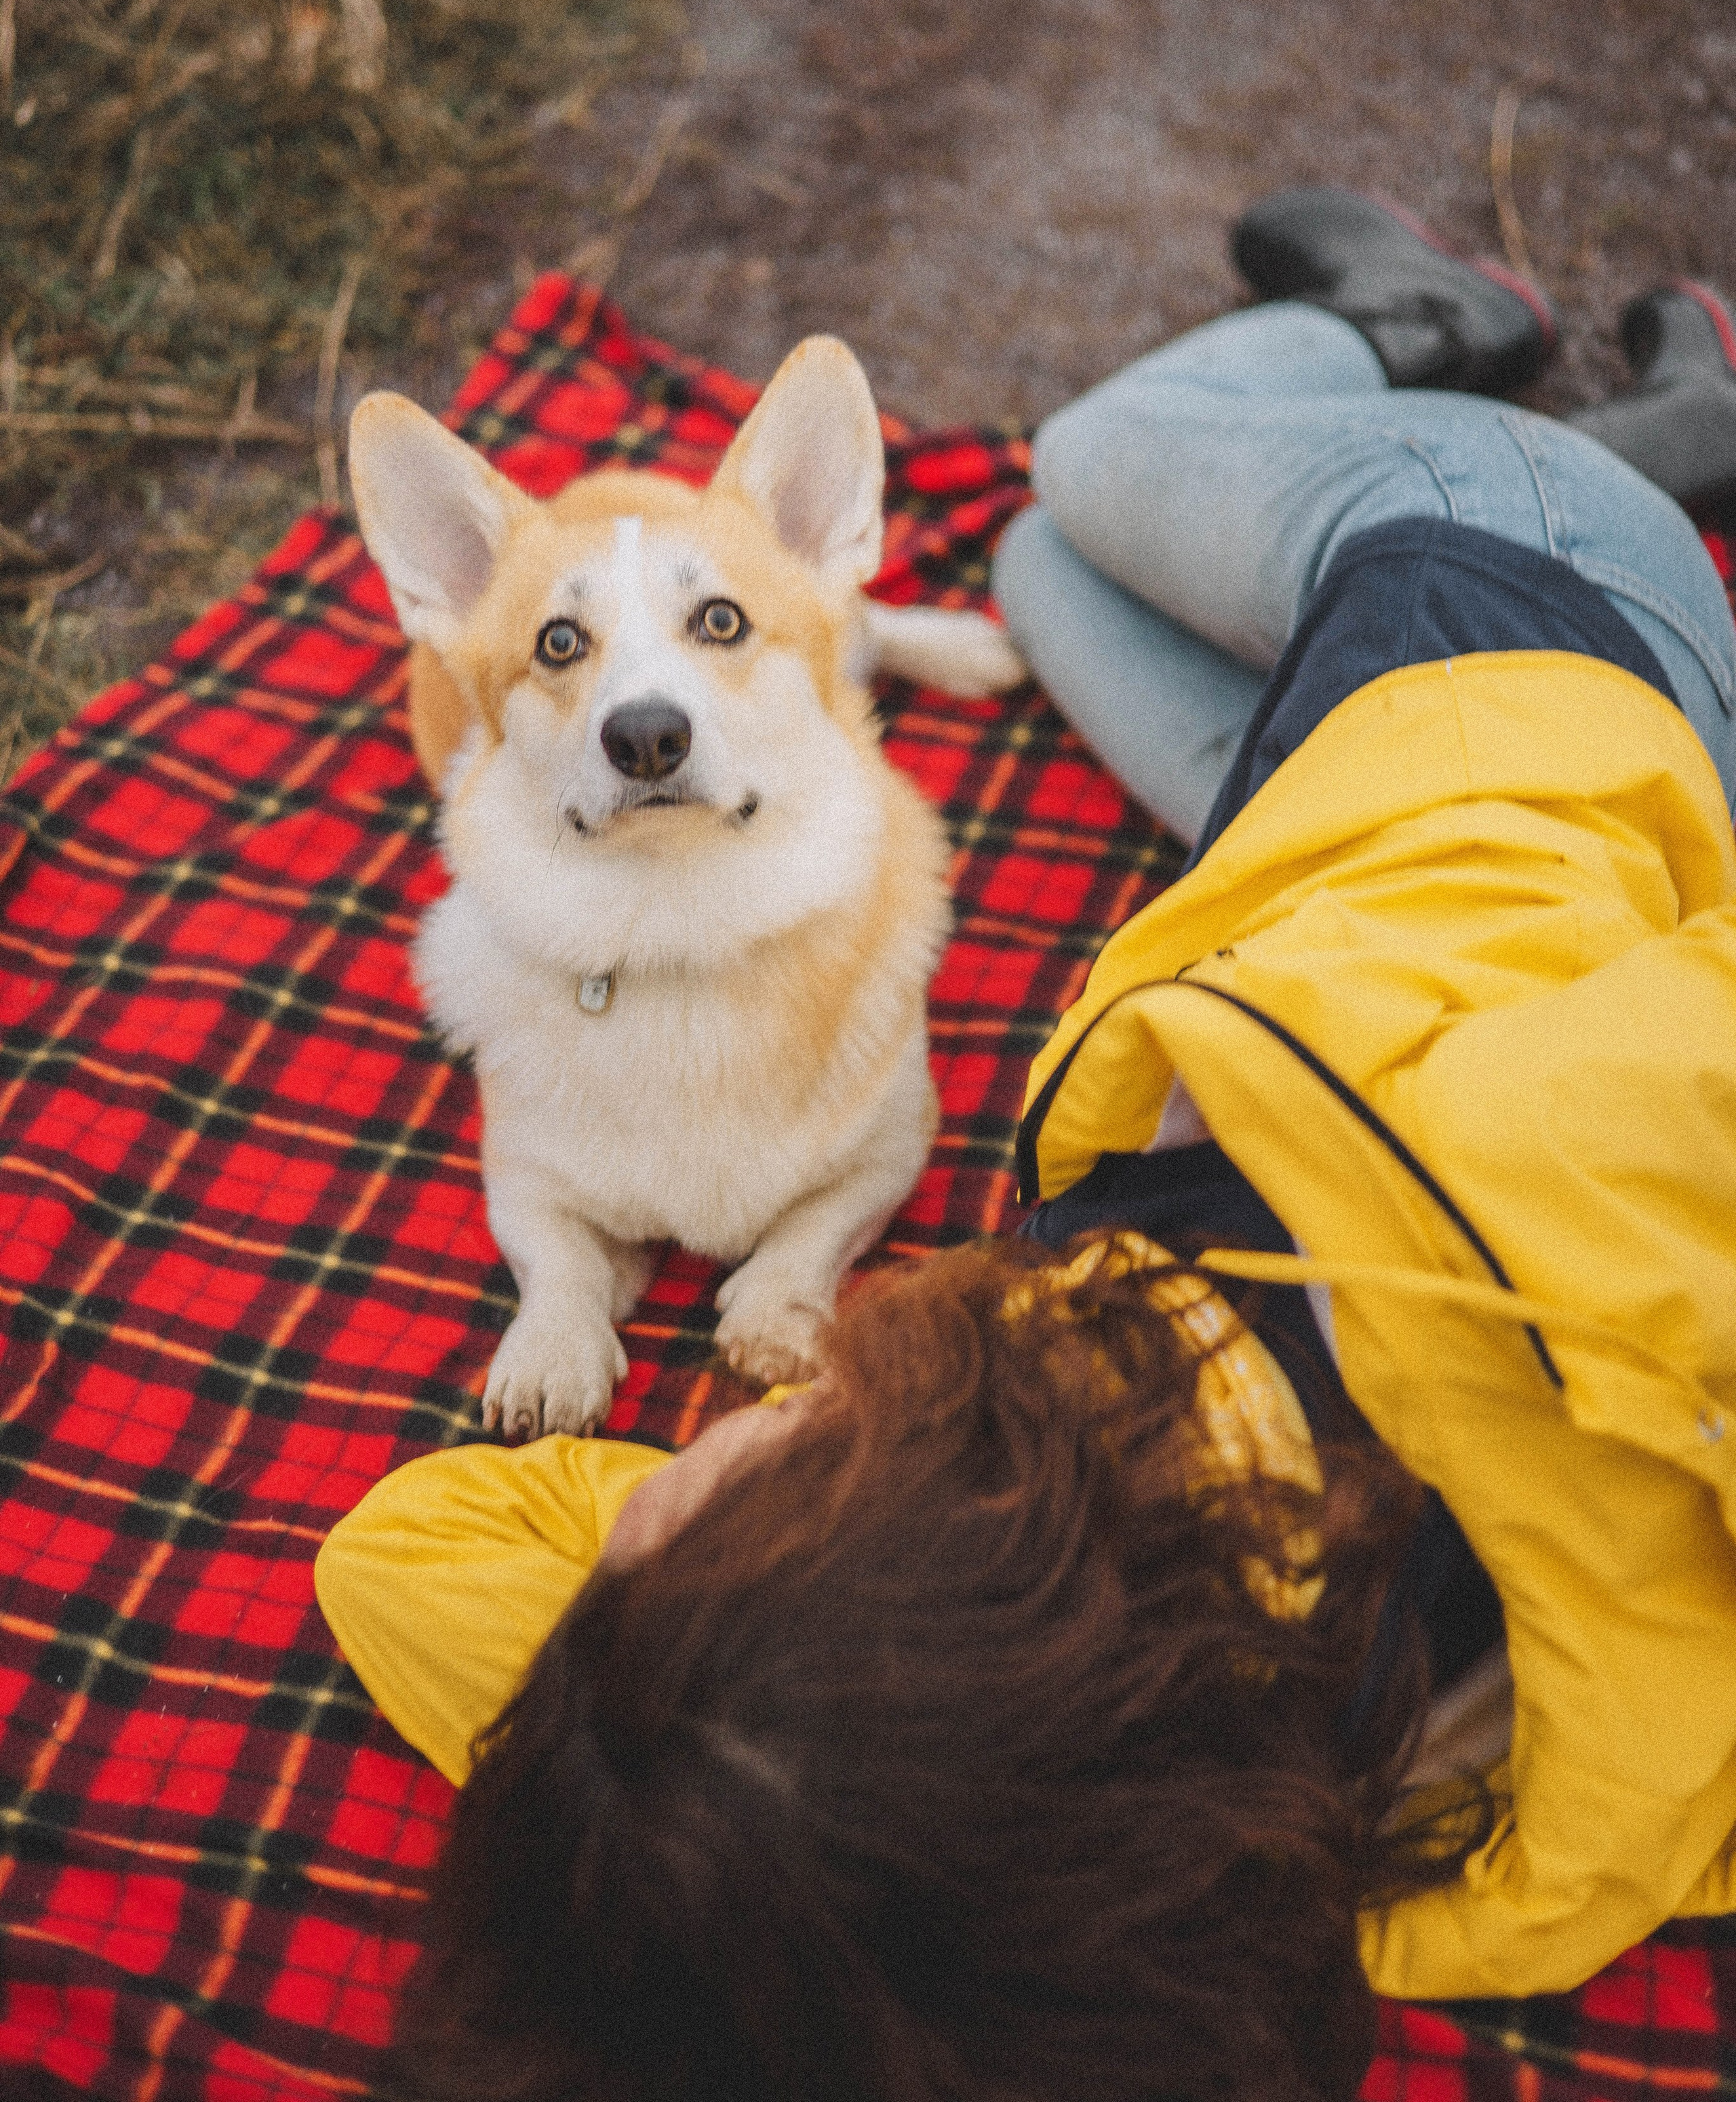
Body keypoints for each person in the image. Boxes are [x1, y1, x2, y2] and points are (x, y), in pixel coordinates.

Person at [316, 191, 1736, 2102]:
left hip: (1289, 788)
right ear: (897, 1524)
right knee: (1080, 468)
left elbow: (406, 1556)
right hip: (1524, 618)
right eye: (696, 1516)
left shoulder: (1328, 1843)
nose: (649, 1481)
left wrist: (665, 1730)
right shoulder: (1537, 1174)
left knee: (1048, 567)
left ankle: (1516, 387)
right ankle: (1536, 384)